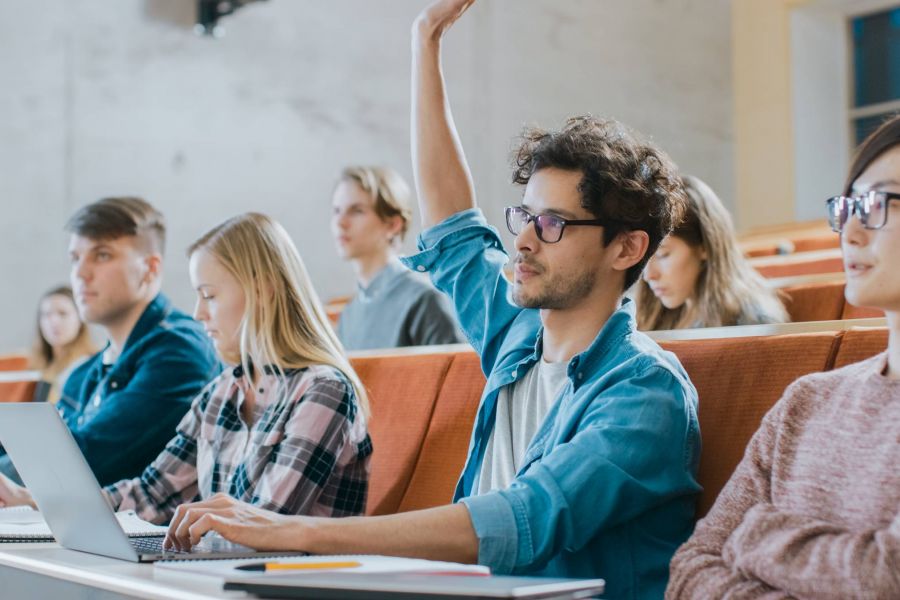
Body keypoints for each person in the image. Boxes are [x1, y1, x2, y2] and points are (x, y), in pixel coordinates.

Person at [158, 2, 700, 598]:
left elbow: (523, 518)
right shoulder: (519, 335)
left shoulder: (645, 392)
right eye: (523, 215)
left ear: (626, 248)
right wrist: (425, 41)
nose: (521, 238)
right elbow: (455, 229)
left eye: (552, 224)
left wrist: (295, 532)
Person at [1, 213, 372, 522]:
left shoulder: (323, 390)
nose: (198, 313)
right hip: (216, 575)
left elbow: (264, 526)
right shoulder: (221, 392)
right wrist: (32, 501)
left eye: (209, 295)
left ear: (264, 290)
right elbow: (151, 495)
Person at [666, 116, 900, 598]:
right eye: (849, 206)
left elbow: (887, 575)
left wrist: (757, 535)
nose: (850, 231)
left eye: (877, 203)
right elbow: (690, 569)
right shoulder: (807, 399)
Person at [0, 197, 221, 486]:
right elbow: (31, 452)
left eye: (102, 255)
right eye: (75, 258)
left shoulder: (181, 353)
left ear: (150, 268)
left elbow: (77, 463)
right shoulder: (82, 375)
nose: (80, 273)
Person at [331, 165, 463, 349]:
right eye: (336, 210)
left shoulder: (424, 299)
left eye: (357, 211)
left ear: (393, 225)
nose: (340, 222)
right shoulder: (348, 316)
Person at [636, 175, 789, 330]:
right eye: (644, 258)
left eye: (663, 255)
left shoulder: (753, 322)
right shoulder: (661, 314)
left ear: (704, 246)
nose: (649, 275)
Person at [29, 285, 96, 404]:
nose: (53, 321)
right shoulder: (36, 367)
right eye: (46, 314)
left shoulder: (88, 367)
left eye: (63, 313)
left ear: (80, 319)